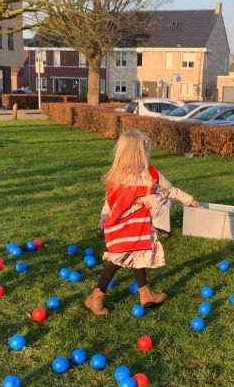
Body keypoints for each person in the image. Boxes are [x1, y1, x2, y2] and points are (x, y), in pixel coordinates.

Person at [85, 131, 199, 315]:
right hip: (122, 229)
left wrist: (189, 199)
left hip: (138, 227)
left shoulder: (150, 174)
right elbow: (110, 201)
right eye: (144, 152)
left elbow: (169, 190)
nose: (147, 156)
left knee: (140, 257)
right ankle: (95, 298)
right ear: (136, 154)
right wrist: (104, 216)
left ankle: (145, 294)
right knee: (117, 261)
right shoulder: (119, 178)